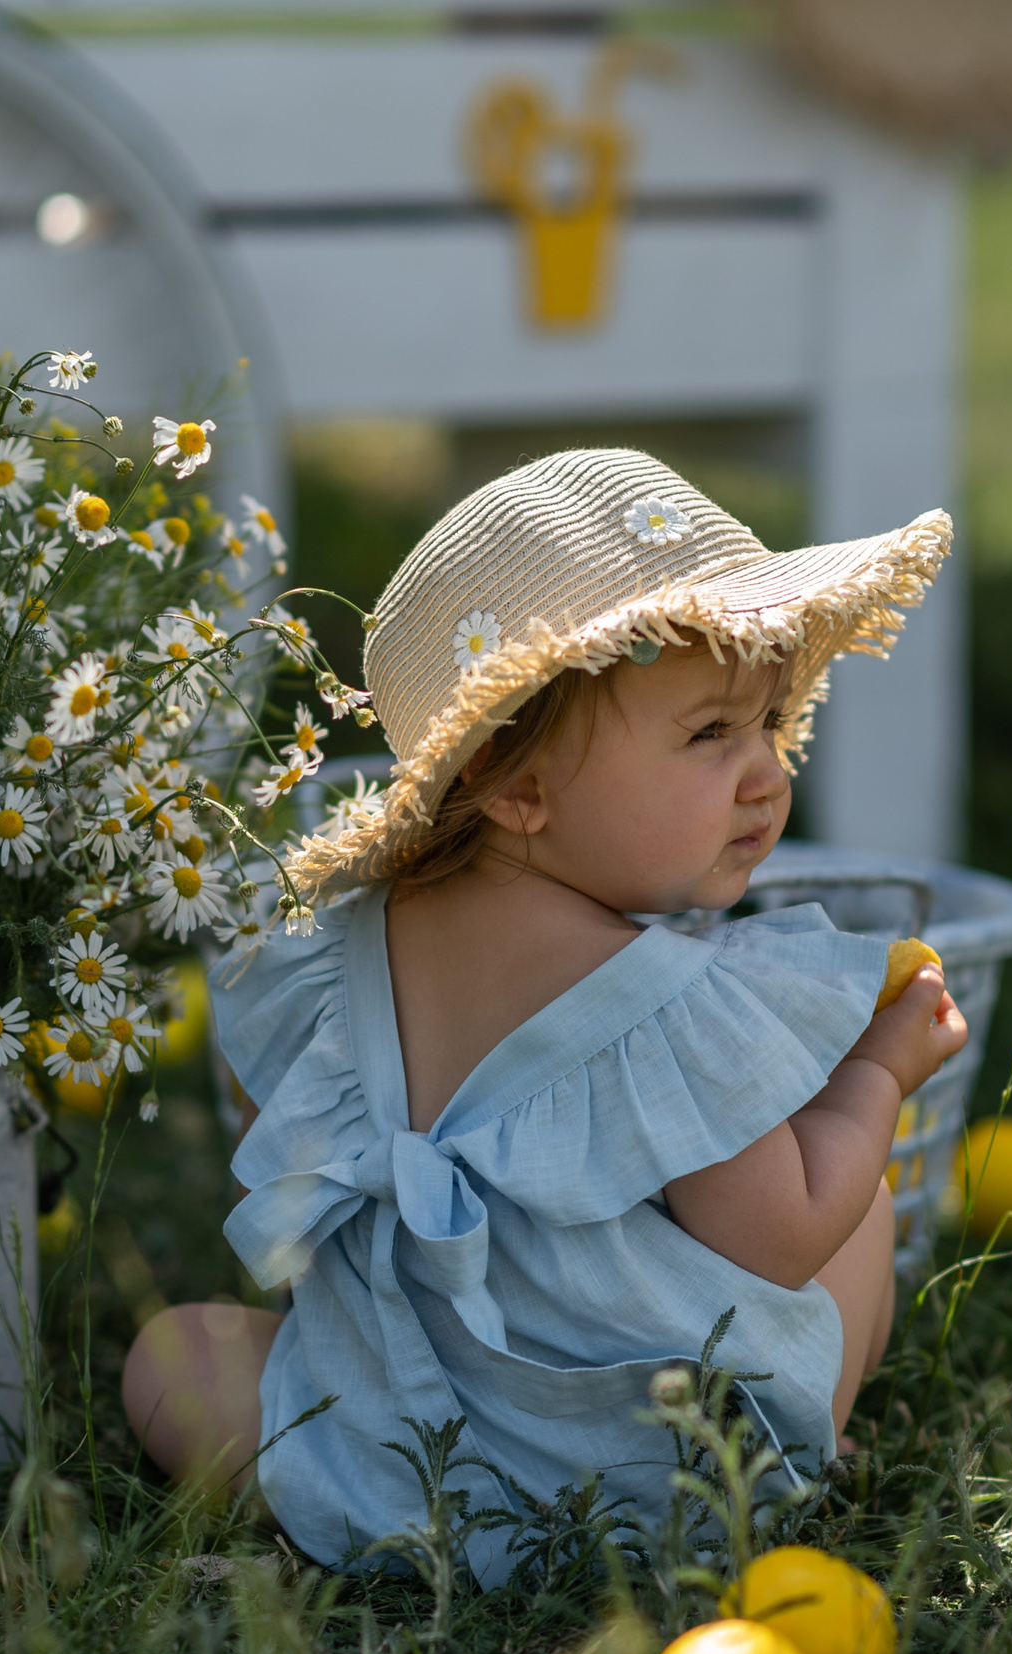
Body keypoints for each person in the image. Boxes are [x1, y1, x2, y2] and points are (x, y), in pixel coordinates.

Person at [123, 448, 964, 1579]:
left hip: (411, 1440)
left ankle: (376, 1507)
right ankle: (786, 1463)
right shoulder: (664, 998)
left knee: (170, 1354)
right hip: (651, 1465)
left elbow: (279, 1168)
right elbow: (780, 1229)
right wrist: (875, 1072)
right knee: (854, 1213)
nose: (767, 772)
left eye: (768, 723)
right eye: (710, 734)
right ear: (517, 787)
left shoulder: (340, 952)